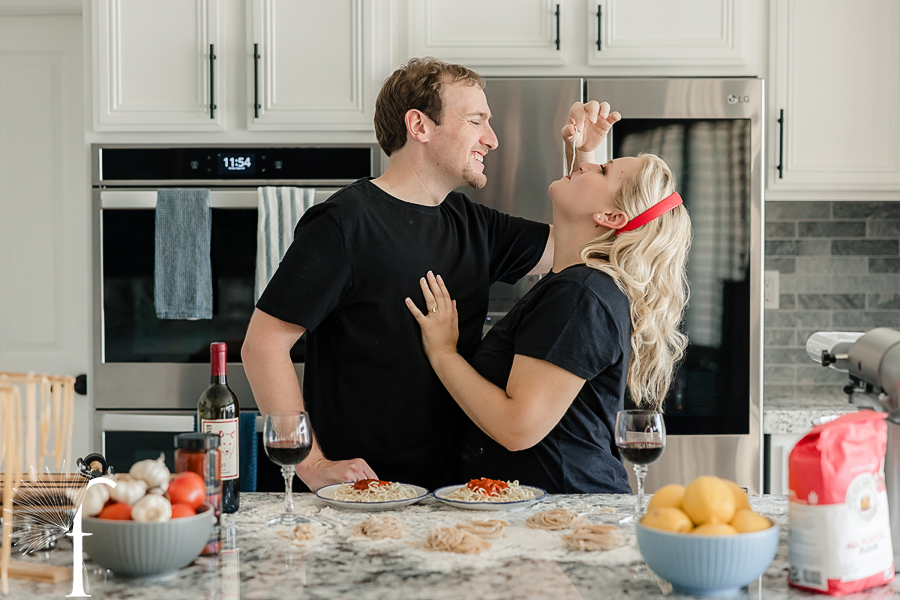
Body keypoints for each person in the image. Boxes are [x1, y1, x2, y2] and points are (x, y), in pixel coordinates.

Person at [241, 58, 553, 492]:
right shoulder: (343, 223)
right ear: (419, 126)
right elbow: (263, 344)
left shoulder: (474, 225)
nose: (493, 139)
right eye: (477, 120)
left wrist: (588, 153)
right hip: (360, 497)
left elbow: (576, 246)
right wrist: (310, 464)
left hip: (456, 495)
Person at [406, 100, 692, 494]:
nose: (588, 166)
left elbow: (517, 427)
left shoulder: (579, 295)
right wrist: (583, 153)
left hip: (565, 512)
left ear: (610, 219)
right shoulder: (579, 283)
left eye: (603, 170)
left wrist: (443, 352)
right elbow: (584, 212)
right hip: (552, 503)